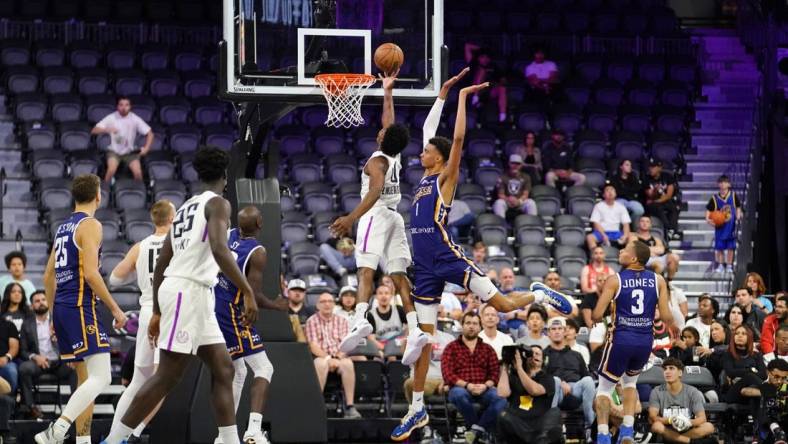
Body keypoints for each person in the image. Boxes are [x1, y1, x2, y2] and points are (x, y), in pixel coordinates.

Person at [391, 77, 575, 441]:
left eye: (427, 150)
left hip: (449, 259)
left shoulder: (446, 176)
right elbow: (431, 129)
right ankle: (416, 409)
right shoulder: (424, 178)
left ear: (439, 156)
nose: (420, 152)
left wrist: (460, 99)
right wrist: (441, 94)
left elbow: (455, 140)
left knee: (505, 305)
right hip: (424, 268)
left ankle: (538, 294)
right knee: (424, 340)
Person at [101, 147, 258, 444]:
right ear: (225, 176)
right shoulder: (219, 204)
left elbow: (162, 262)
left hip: (192, 294)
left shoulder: (185, 207)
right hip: (187, 291)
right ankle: (114, 440)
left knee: (224, 367)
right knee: (167, 376)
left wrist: (159, 310)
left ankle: (229, 440)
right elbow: (220, 249)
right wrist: (247, 290)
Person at [330, 70, 439, 368]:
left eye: (380, 132)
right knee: (399, 275)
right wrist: (387, 91)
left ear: (381, 140)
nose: (379, 131)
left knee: (365, 270)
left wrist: (351, 217)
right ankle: (415, 328)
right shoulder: (395, 156)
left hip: (376, 216)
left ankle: (359, 320)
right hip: (395, 218)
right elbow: (389, 124)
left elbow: (376, 190)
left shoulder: (377, 161)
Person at [37, 174, 128, 444]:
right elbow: (91, 274)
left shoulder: (63, 227)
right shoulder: (91, 225)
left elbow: (47, 277)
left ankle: (82, 440)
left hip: (63, 309)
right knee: (101, 377)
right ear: (98, 196)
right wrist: (116, 310)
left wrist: (53, 315)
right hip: (80, 306)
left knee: (86, 379)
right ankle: (58, 430)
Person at [213, 206, 288, 444]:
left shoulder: (229, 234)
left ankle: (225, 436)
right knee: (264, 369)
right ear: (260, 223)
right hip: (233, 313)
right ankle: (253, 430)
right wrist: (277, 305)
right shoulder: (257, 252)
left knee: (238, 371)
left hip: (216, 305)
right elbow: (253, 297)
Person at [593, 239, 673, 444]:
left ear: (634, 258)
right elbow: (665, 316)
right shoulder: (658, 280)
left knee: (604, 389)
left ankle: (603, 435)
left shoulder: (615, 280)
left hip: (621, 339)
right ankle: (627, 430)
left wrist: (603, 316)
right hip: (645, 341)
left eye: (625, 249)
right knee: (630, 384)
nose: (620, 250)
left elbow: (596, 314)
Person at [106, 199, 174, 441]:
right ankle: (132, 433)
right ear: (172, 218)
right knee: (161, 380)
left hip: (146, 311)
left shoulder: (140, 246)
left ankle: (113, 437)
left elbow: (114, 279)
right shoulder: (178, 242)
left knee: (138, 381)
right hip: (168, 312)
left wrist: (138, 274)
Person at [441, 312, 507, 443]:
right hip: (461, 388)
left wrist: (485, 385)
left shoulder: (488, 349)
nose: (471, 326)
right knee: (459, 395)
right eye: (468, 323)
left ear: (480, 327)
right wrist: (467, 385)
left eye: (475, 324)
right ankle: (480, 431)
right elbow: (447, 374)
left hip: (484, 388)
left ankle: (475, 431)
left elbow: (494, 374)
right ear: (462, 325)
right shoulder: (451, 348)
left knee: (501, 398)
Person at [18, 291, 75, 420]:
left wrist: (68, 353)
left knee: (75, 367)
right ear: (32, 306)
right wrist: (35, 357)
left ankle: (74, 408)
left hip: (59, 362)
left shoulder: (59, 320)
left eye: (43, 299)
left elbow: (71, 340)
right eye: (37, 301)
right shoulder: (27, 324)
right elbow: (23, 350)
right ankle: (30, 407)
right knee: (24, 368)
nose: (41, 303)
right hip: (39, 363)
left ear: (48, 302)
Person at [304, 292, 361, 418]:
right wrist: (329, 358)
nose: (327, 304)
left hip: (339, 357)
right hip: (320, 357)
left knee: (348, 364)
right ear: (317, 305)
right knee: (320, 363)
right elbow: (313, 346)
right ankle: (317, 405)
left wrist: (337, 357)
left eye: (330, 301)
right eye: (323, 302)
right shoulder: (311, 321)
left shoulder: (342, 321)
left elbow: (346, 344)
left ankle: (350, 406)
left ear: (334, 304)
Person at [543, 317, 597, 440]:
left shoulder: (576, 355)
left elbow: (586, 376)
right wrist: (560, 382)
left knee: (588, 381)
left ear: (564, 332)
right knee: (555, 381)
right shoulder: (543, 354)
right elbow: (542, 377)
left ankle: (591, 429)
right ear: (549, 333)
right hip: (555, 391)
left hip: (575, 389)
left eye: (560, 329)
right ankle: (552, 428)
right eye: (553, 329)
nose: (557, 331)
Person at [496, 344, 561, 444]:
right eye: (531, 353)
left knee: (555, 413)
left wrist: (519, 369)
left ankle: (532, 438)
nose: (534, 356)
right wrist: (505, 366)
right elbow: (502, 393)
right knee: (503, 415)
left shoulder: (547, 378)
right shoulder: (514, 377)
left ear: (543, 360)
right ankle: (531, 438)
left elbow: (534, 390)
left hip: (539, 423)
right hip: (518, 422)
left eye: (537, 354)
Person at [647, 357, 717, 444]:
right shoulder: (656, 391)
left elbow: (702, 418)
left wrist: (688, 422)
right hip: (667, 429)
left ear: (680, 373)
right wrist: (671, 420)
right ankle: (689, 442)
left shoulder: (692, 391)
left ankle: (675, 440)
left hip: (686, 429)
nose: (667, 372)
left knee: (709, 427)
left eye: (671, 368)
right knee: (656, 426)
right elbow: (653, 417)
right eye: (665, 369)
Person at [90, 95, 154, 183]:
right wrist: (107, 129)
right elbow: (94, 130)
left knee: (138, 173)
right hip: (114, 151)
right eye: (121, 105)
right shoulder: (111, 117)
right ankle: (105, 192)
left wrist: (146, 148)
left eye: (126, 105)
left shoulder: (135, 118)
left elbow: (150, 133)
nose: (124, 107)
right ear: (117, 106)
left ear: (130, 107)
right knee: (111, 170)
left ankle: (137, 193)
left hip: (130, 152)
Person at [402, 328, 454, 405]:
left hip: (445, 379)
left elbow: (456, 364)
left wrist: (449, 381)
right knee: (409, 384)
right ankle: (419, 413)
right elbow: (406, 360)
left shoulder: (449, 337)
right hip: (424, 380)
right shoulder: (413, 335)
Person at [705, 174, 742, 275]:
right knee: (719, 248)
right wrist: (708, 219)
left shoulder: (733, 195)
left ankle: (729, 265)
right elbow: (709, 209)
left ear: (729, 184)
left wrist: (738, 216)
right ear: (718, 184)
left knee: (730, 248)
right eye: (721, 182)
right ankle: (721, 264)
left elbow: (738, 207)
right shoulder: (714, 198)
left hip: (731, 226)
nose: (722, 184)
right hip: (720, 226)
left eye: (725, 182)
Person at [722, 325, 766, 405]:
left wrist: (742, 373)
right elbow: (730, 372)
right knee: (749, 376)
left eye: (744, 333)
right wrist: (751, 370)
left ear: (749, 337)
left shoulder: (756, 355)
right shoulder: (728, 354)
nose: (740, 336)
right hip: (733, 392)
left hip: (751, 391)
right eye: (737, 333)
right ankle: (771, 392)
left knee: (754, 395)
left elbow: (763, 375)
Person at [464, 44, 508, 122]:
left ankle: (502, 115)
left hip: (488, 91)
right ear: (478, 58)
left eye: (487, 57)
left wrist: (498, 83)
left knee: (502, 88)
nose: (485, 59)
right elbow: (467, 46)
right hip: (473, 90)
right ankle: (475, 98)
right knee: (482, 71)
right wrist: (483, 49)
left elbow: (503, 80)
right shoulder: (473, 64)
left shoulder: (493, 66)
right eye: (482, 57)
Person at [630, 215, 681, 280]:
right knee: (659, 265)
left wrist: (645, 250)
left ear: (651, 225)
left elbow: (661, 250)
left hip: (656, 258)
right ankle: (656, 285)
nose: (645, 223)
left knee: (674, 257)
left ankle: (668, 282)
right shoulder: (633, 237)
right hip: (643, 260)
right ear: (638, 224)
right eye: (642, 221)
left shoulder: (656, 238)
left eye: (647, 222)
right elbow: (634, 250)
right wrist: (652, 251)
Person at [751, 359, 788, 444]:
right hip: (765, 424)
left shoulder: (786, 386)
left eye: (783, 378)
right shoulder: (760, 385)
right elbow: (745, 391)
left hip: (783, 421)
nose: (779, 381)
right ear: (768, 372)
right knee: (764, 401)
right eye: (776, 377)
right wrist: (775, 393)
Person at [366, 285, 407, 362]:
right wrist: (387, 348)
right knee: (381, 357)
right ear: (376, 296)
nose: (383, 296)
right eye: (380, 293)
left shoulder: (399, 309)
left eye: (386, 293)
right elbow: (371, 339)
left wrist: (405, 339)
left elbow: (410, 327)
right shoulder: (370, 315)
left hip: (399, 344)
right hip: (381, 346)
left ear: (391, 296)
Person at [643, 158, 681, 240]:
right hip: (652, 203)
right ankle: (669, 229)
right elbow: (650, 195)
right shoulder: (646, 178)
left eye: (653, 167)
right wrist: (655, 191)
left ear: (659, 168)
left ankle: (671, 229)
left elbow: (669, 195)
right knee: (657, 207)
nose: (651, 169)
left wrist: (657, 200)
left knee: (674, 208)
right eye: (650, 167)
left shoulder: (668, 177)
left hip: (662, 200)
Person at [492, 154, 537, 221]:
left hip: (520, 201)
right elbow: (501, 194)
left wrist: (518, 201)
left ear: (521, 165)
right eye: (513, 163)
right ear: (509, 164)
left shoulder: (526, 177)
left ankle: (532, 225)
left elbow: (526, 194)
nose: (515, 166)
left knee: (531, 203)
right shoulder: (503, 177)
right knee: (499, 203)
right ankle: (501, 226)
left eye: (517, 164)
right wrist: (508, 199)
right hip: (507, 201)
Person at [586, 184, 631, 250]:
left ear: (615, 194)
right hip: (602, 232)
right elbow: (595, 223)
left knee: (631, 237)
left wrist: (625, 235)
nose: (610, 192)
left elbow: (626, 224)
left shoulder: (621, 207)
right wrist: (603, 235)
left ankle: (627, 257)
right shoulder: (598, 206)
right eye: (607, 190)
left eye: (612, 190)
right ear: (604, 195)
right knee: (589, 237)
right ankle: (595, 256)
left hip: (616, 233)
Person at [0, 318, 18, 398]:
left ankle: (9, 401)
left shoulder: (9, 325)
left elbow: (14, 347)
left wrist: (7, 358)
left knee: (11, 371)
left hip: (4, 361)